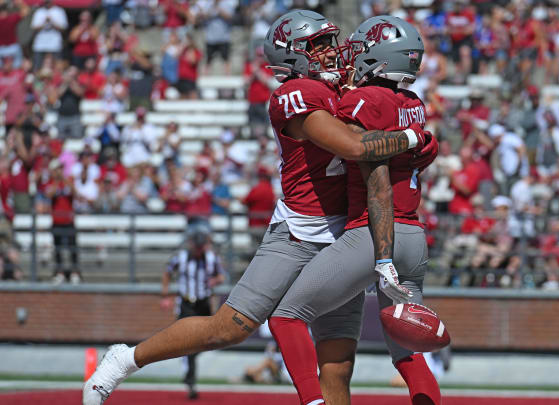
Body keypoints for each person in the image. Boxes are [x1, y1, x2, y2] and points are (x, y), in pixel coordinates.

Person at [84, 10, 430, 405]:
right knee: (230, 327)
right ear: (294, 54)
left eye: (329, 42)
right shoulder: (295, 94)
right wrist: (414, 137)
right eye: (317, 45)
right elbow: (353, 147)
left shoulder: (345, 89)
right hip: (300, 231)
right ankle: (125, 359)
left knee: (337, 362)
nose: (331, 52)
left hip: (347, 235)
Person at [267, 16, 442, 405]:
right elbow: (420, 151)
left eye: (361, 50)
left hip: (374, 232)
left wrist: (381, 257)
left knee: (284, 316)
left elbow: (370, 167)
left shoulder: (363, 100)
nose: (351, 56)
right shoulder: (413, 103)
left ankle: (312, 402)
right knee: (408, 351)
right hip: (414, 234)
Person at [160, 227, 225, 399]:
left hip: (203, 303)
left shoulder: (211, 258)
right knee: (189, 341)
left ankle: (189, 363)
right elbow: (167, 272)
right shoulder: (180, 258)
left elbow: (222, 276)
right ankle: (191, 380)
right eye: (197, 246)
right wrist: (165, 295)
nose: (199, 250)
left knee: (205, 340)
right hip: (186, 303)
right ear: (191, 245)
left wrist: (215, 280)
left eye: (202, 246)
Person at [0, 0, 29, 69]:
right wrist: (20, 3)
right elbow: (26, 11)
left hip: (1, 49)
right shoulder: (12, 18)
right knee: (17, 68)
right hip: (13, 47)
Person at [30, 0, 68, 69]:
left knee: (57, 66)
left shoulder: (59, 11)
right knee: (38, 66)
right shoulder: (39, 12)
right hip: (40, 44)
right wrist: (44, 22)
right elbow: (34, 28)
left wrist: (52, 21)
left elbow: (63, 28)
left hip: (55, 44)